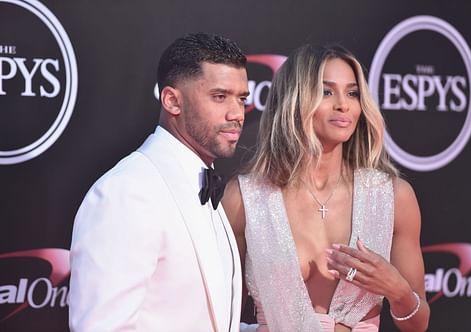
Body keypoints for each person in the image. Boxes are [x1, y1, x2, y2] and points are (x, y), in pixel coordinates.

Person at [223, 44, 430, 331]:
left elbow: (417, 325)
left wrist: (397, 289)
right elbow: (219, 316)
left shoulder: (393, 196)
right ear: (294, 99)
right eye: (327, 91)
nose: (343, 104)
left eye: (353, 93)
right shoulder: (246, 198)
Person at [69, 32, 249, 331]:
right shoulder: (127, 193)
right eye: (219, 97)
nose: (237, 113)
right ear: (171, 100)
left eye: (241, 99)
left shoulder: (203, 184)